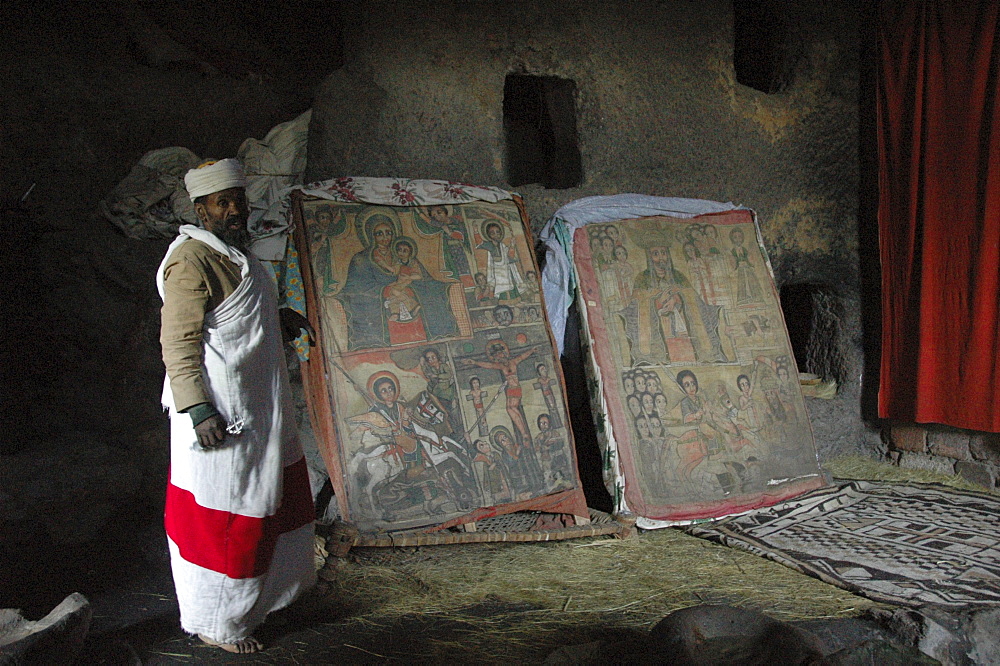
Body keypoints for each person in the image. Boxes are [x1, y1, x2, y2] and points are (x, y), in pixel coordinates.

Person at [158, 159, 317, 654]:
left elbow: (239, 318)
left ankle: (258, 602)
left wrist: (279, 318)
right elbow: (179, 342)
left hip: (259, 409)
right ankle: (219, 623)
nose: (234, 211)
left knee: (266, 502)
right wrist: (198, 410)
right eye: (222, 203)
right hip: (222, 415)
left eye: (239, 202)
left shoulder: (232, 255)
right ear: (200, 209)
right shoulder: (192, 260)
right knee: (228, 519)